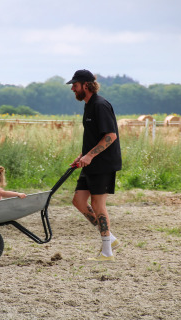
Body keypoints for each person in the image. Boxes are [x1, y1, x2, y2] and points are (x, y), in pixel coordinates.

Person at [67, 69, 122, 262]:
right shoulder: (88, 105)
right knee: (79, 201)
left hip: (103, 164)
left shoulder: (100, 105)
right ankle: (110, 238)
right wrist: (82, 155)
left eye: (75, 85)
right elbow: (94, 137)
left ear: (86, 85)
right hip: (90, 162)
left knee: (98, 204)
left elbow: (110, 136)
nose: (73, 88)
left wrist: (90, 156)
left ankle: (107, 252)